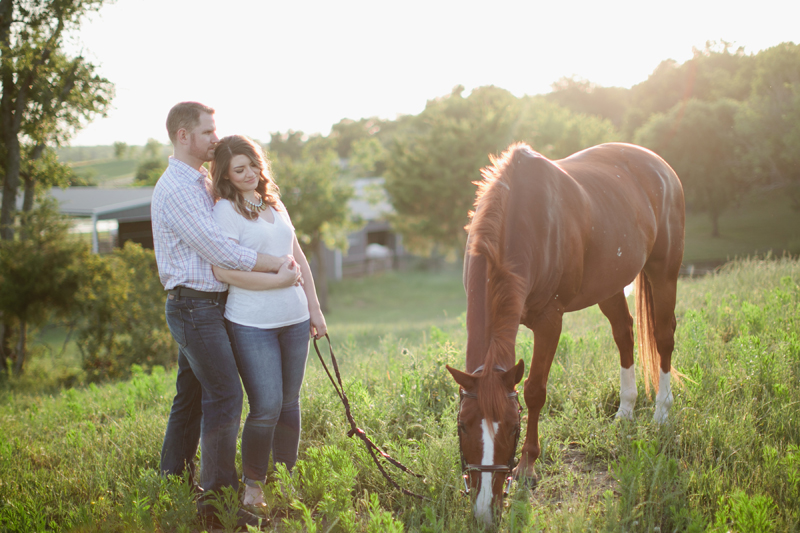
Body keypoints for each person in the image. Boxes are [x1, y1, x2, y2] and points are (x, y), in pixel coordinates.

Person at [152, 102, 297, 529]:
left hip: (209, 305)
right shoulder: (176, 189)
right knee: (226, 395)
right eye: (207, 132)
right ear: (183, 136)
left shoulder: (198, 179)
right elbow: (219, 251)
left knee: (191, 396)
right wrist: (276, 265)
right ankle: (217, 499)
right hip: (193, 305)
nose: (215, 139)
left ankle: (172, 478)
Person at [209, 135, 327, 507]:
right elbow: (223, 271)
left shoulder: (274, 204)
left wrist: (315, 308)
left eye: (253, 166)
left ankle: (286, 477)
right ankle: (254, 484)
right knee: (266, 405)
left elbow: (298, 257)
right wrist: (276, 280)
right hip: (250, 323)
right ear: (226, 175)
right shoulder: (224, 211)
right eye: (238, 169)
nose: (248, 174)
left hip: (294, 319)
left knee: (290, 403)